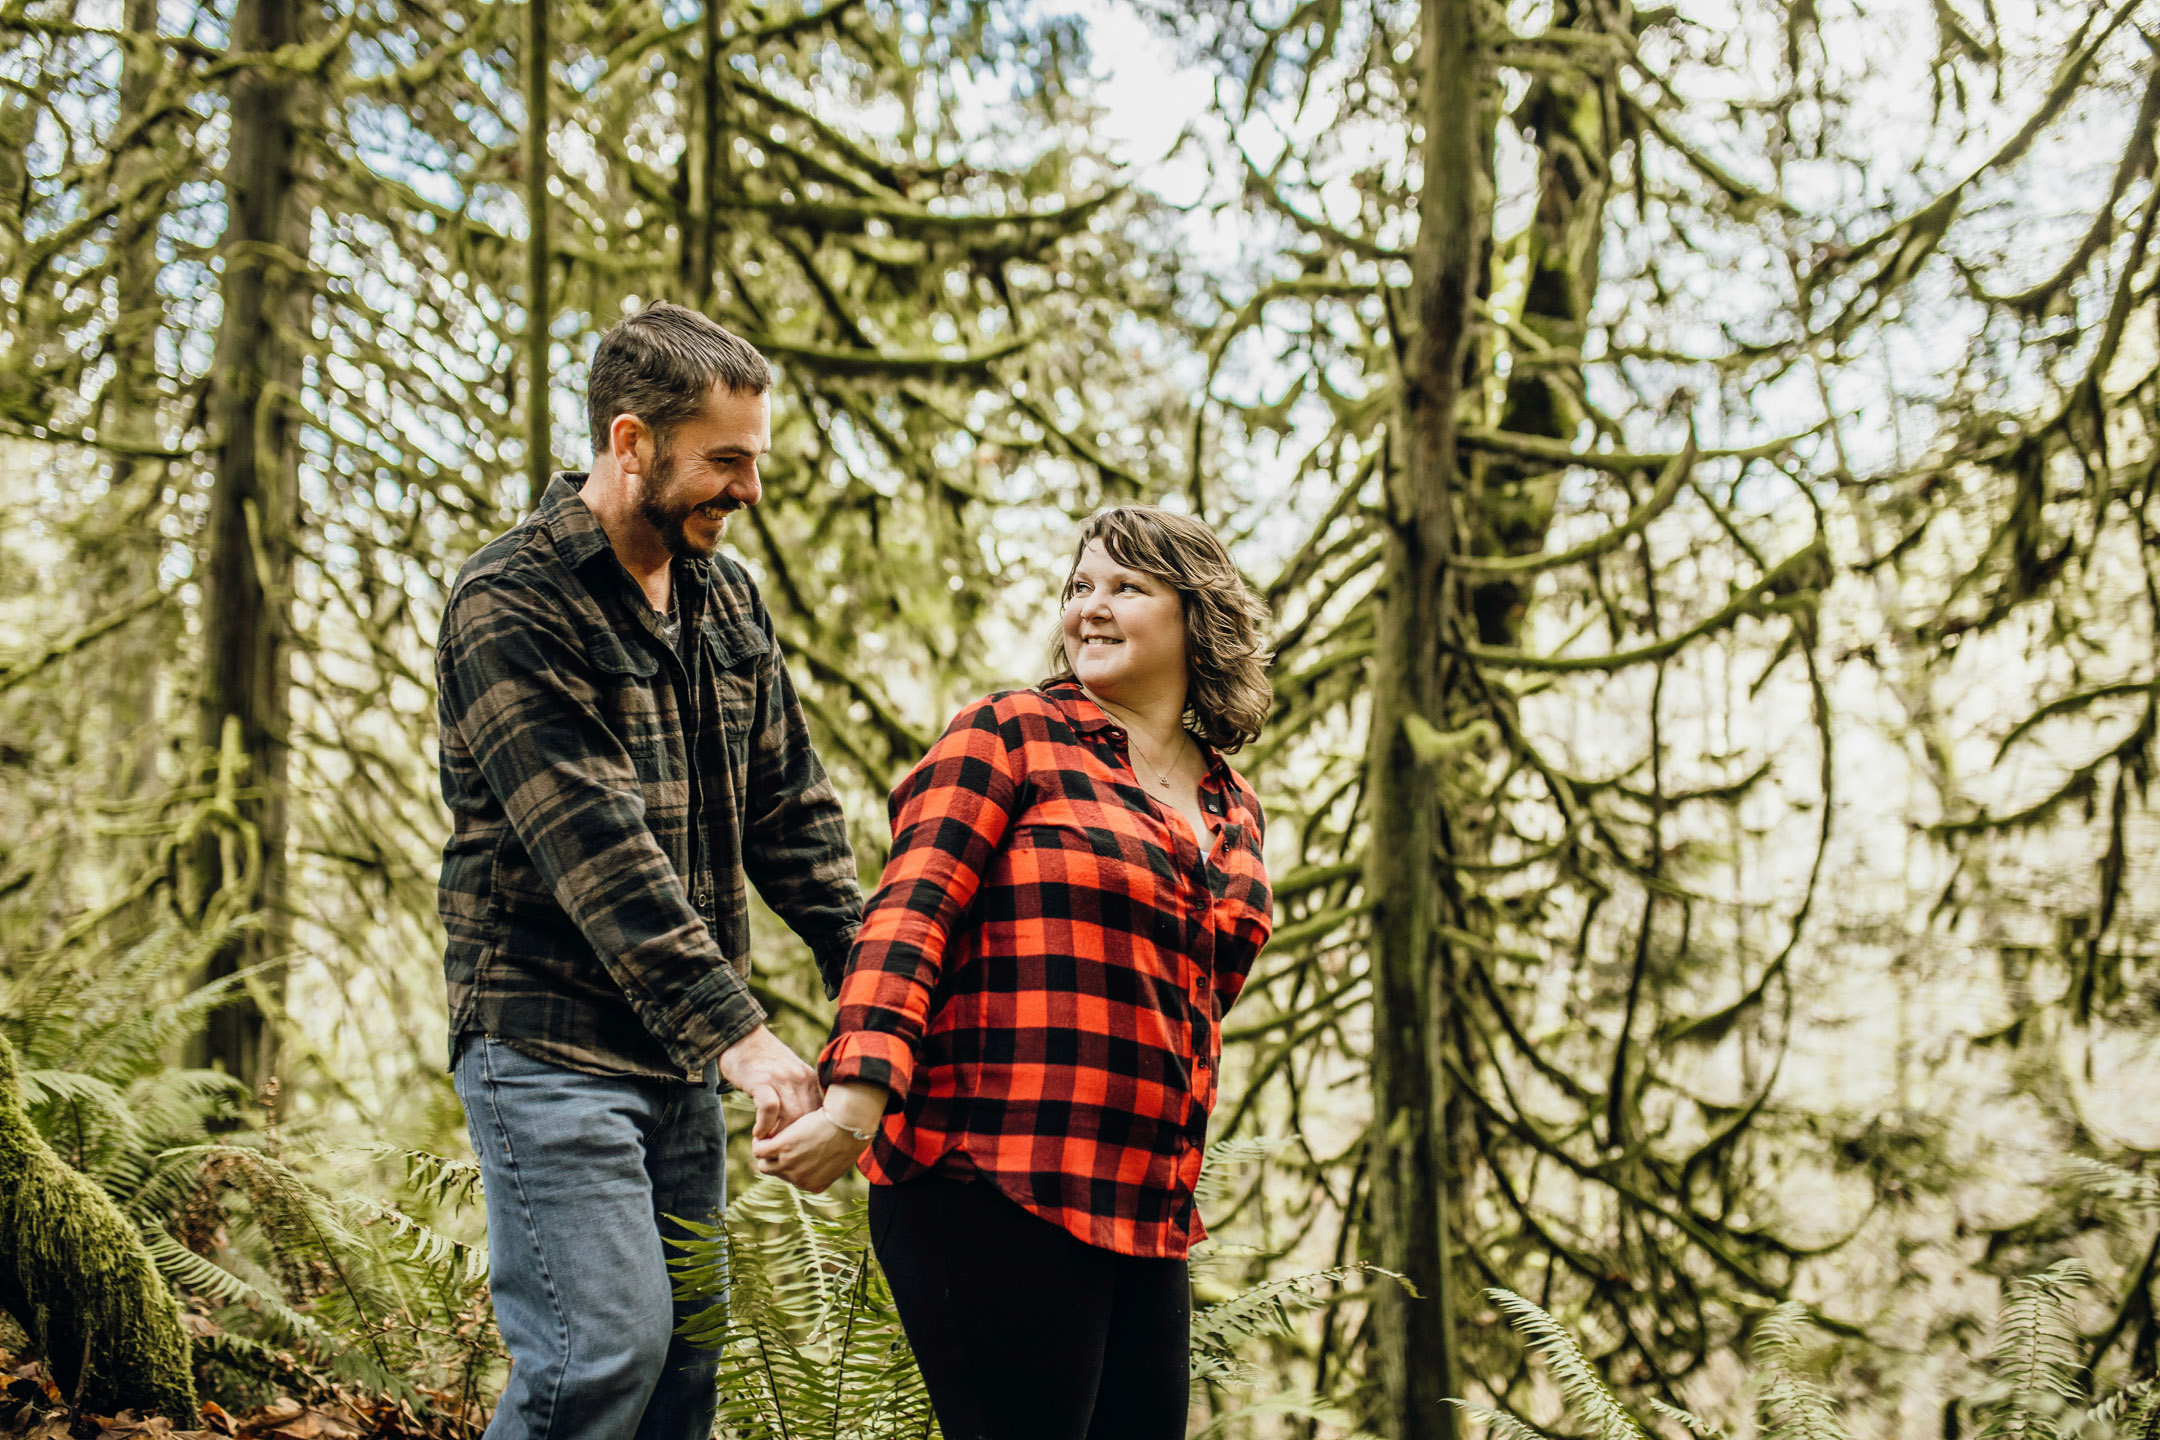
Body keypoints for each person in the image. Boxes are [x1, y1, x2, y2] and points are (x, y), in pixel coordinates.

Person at [756, 506, 1276, 1440]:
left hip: (1142, 1202)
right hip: (988, 1177)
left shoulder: (1232, 805)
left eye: (1127, 587)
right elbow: (907, 917)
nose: (1091, 608)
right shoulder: (1012, 733)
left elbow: (1194, 1001)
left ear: (1198, 617)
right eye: (1080, 587)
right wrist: (855, 1101)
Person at [434, 303, 862, 1440]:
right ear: (632, 444)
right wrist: (747, 1037)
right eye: (726, 461)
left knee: (684, 1379)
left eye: (755, 462)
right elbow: (596, 850)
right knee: (601, 1355)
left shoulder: (726, 602)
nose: (749, 491)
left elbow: (794, 816)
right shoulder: (509, 603)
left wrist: (877, 985)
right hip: (547, 1046)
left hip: (676, 1069)